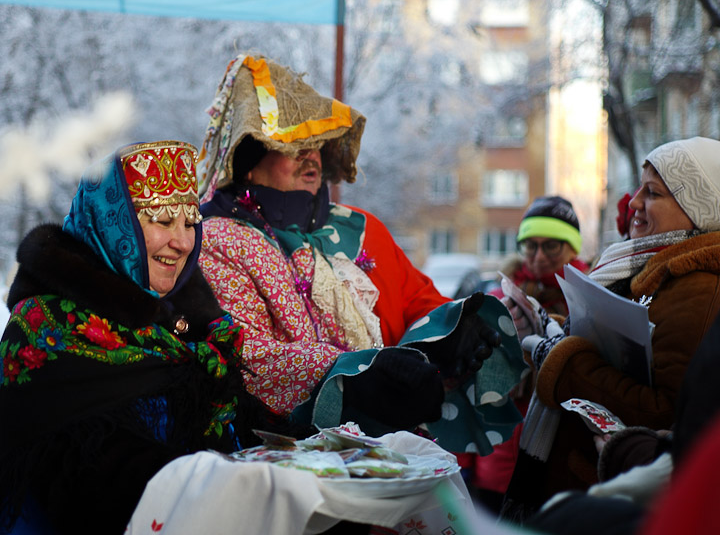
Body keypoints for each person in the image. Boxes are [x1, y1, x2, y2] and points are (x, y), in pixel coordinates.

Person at [0, 141, 302, 535]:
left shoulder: (188, 321)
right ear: (112, 223)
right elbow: (92, 478)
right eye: (162, 220)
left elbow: (243, 424)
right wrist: (231, 491)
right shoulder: (47, 327)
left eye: (190, 222)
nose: (183, 241)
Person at [196, 55, 522, 452]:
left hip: (389, 453)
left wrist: (449, 333)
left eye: (317, 141)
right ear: (249, 161)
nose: (311, 155)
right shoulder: (216, 241)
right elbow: (245, 354)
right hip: (286, 457)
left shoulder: (361, 227)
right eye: (293, 143)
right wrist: (355, 378)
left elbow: (417, 302)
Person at [501, 136, 720, 521]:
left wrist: (562, 361)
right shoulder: (642, 264)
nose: (633, 203)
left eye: (653, 193)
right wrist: (547, 328)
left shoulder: (699, 289)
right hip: (583, 474)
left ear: (699, 208)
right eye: (639, 189)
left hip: (606, 491)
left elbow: (665, 414)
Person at [463, 195, 590, 512]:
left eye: (551, 246)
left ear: (572, 248)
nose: (538, 256)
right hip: (496, 456)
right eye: (530, 245)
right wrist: (463, 458)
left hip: (562, 459)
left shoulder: (589, 298)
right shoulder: (498, 298)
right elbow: (467, 383)